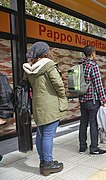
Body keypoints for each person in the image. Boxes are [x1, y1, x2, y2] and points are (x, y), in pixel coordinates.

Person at [23, 41, 68, 176]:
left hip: (37, 105)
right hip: (50, 105)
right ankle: (48, 164)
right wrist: (62, 96)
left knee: (41, 134)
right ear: (46, 52)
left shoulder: (29, 69)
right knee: (48, 135)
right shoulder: (49, 65)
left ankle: (43, 162)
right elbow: (58, 84)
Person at [78, 45, 106, 155]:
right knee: (93, 123)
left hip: (82, 99)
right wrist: (103, 100)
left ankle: (82, 146)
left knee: (83, 123)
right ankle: (94, 148)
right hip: (92, 100)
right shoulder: (92, 65)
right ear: (92, 53)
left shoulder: (80, 64)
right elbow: (98, 84)